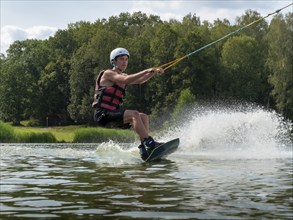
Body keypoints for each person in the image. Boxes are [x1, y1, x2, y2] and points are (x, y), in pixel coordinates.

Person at [92, 48, 164, 160]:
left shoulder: (124, 75)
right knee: (134, 114)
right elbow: (126, 80)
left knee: (143, 116)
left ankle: (145, 149)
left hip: (113, 113)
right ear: (114, 61)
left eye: (126, 59)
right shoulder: (108, 73)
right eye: (121, 59)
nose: (124, 62)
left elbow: (140, 81)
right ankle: (149, 143)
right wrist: (146, 70)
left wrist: (153, 73)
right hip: (102, 115)